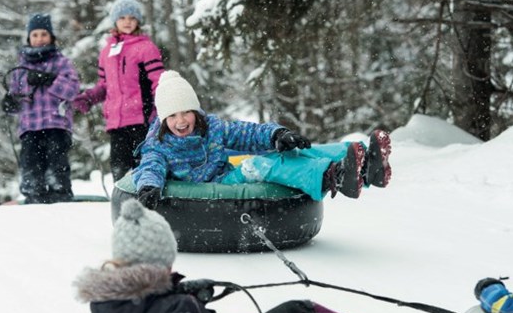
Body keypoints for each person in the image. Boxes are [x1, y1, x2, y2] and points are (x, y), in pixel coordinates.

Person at [73, 198, 394, 313]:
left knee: (299, 310)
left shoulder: (117, 302)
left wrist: (183, 294)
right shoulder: (174, 310)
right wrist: (185, 306)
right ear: (160, 261)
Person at [131, 70, 392, 210]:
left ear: (195, 110)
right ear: (163, 119)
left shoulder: (211, 126)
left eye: (186, 111)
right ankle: (333, 177)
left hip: (227, 173)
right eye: (173, 115)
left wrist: (277, 134)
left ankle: (365, 163)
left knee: (291, 154)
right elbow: (150, 166)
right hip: (221, 184)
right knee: (262, 165)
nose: (181, 121)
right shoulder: (158, 143)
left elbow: (246, 133)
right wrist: (148, 187)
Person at [73, 198, 217, 313]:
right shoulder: (179, 312)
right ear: (165, 262)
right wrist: (187, 306)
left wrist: (171, 293)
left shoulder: (112, 307)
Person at [72, 0, 165, 182]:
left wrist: (162, 108)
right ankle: (123, 206)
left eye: (132, 17)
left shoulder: (146, 48)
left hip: (142, 119)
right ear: (115, 21)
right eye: (122, 17)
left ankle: (148, 202)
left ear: (138, 20)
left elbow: (158, 81)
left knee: (144, 166)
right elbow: (104, 85)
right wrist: (88, 97)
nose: (127, 22)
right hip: (117, 122)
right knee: (120, 169)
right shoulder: (107, 52)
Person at [2, 13, 80, 204]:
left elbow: (72, 90)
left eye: (43, 34)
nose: (39, 39)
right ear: (29, 38)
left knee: (56, 163)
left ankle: (60, 195)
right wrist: (9, 103)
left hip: (56, 124)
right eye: (35, 35)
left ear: (51, 37)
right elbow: (16, 98)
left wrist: (50, 80)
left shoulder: (61, 62)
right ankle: (33, 196)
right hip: (29, 127)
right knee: (31, 165)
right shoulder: (21, 67)